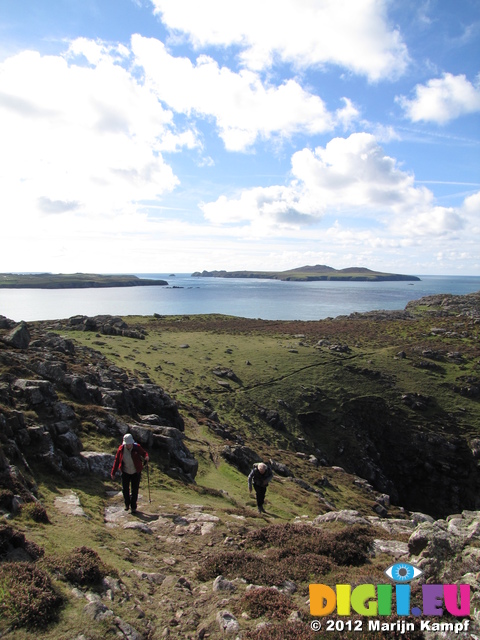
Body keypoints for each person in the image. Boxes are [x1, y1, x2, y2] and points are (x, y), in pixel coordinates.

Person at [111, 433, 149, 514]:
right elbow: (117, 461)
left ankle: (133, 507)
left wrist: (146, 457)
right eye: (126, 444)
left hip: (136, 472)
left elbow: (144, 453)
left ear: (132, 443)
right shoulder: (121, 449)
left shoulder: (136, 447)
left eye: (129, 444)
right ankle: (127, 504)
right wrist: (113, 472)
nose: (128, 445)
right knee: (125, 489)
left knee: (134, 490)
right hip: (125, 472)